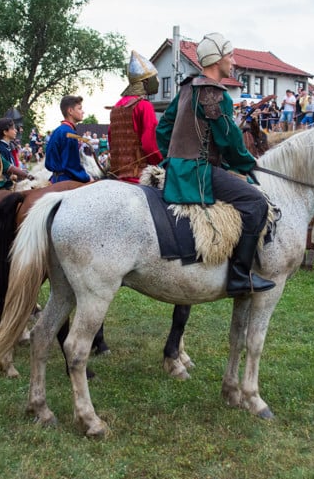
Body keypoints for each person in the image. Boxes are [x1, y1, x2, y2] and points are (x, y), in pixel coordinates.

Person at [155, 32, 275, 297]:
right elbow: (230, 139)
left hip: (180, 168)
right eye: (230, 55)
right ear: (217, 59)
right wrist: (247, 163)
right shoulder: (215, 94)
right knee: (256, 203)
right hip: (198, 172)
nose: (233, 61)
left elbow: (163, 127)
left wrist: (171, 158)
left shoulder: (187, 88)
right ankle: (239, 278)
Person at [107, 51, 164, 183]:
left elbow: (111, 140)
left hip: (117, 175)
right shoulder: (144, 106)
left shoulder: (116, 106)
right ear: (145, 81)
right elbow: (149, 145)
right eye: (154, 77)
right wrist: (162, 162)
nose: (156, 80)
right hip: (139, 176)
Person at [45, 95, 93, 184]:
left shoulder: (57, 131)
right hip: (66, 182)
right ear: (70, 111)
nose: (83, 112)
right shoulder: (70, 134)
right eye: (79, 109)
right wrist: (87, 178)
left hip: (55, 179)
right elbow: (72, 166)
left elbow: (49, 161)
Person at [0, 118, 32, 186]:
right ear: (5, 132)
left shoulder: (6, 147)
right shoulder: (1, 149)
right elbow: (1, 173)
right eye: (12, 128)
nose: (16, 131)